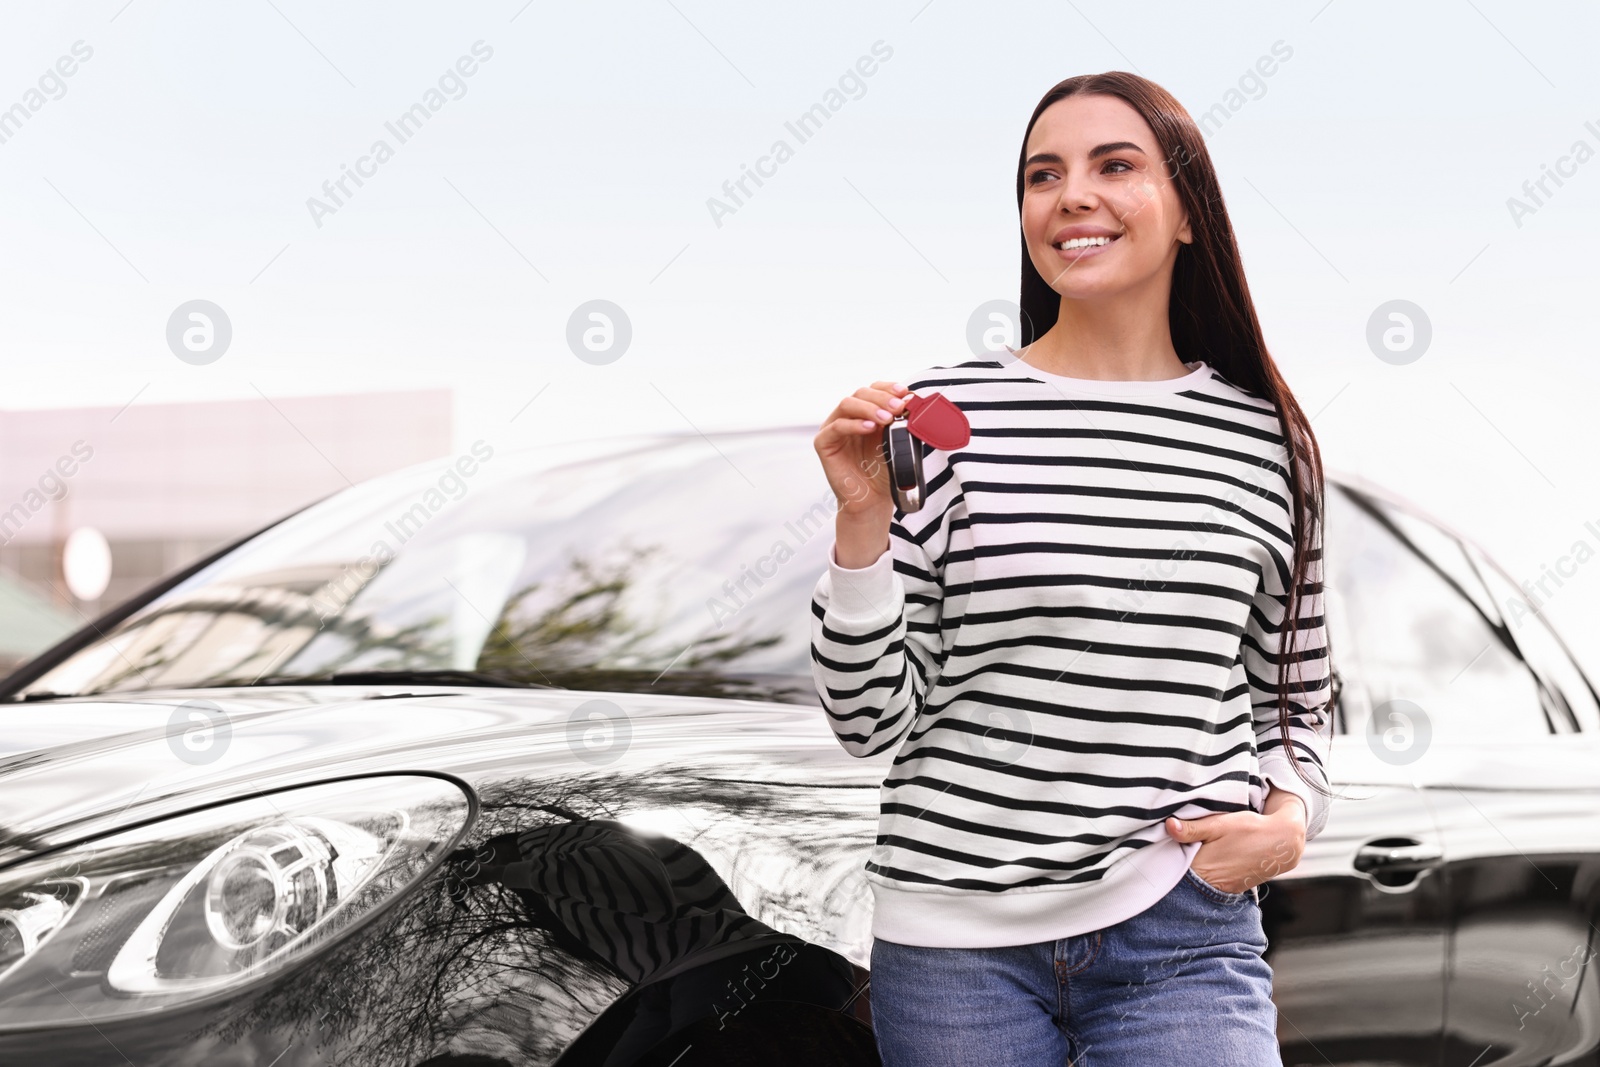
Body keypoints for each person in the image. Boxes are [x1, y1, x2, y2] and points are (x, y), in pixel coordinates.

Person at [808, 70, 1337, 1066]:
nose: (1071, 195)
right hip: (957, 946)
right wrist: (860, 527)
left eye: (1115, 165)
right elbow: (868, 719)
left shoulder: (1269, 440)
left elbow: (1295, 698)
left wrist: (1289, 819)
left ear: (1189, 213)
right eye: (1041, 174)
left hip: (1183, 929)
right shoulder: (942, 418)